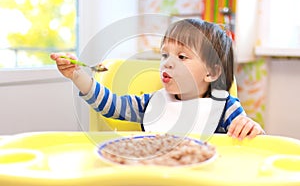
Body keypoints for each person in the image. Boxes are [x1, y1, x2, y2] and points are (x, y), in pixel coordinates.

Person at [50, 18, 265, 140]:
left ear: (211, 73)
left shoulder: (226, 107)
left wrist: (251, 129)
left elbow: (251, 144)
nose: (167, 63)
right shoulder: (153, 102)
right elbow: (112, 105)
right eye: (165, 55)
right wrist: (77, 76)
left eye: (182, 57)